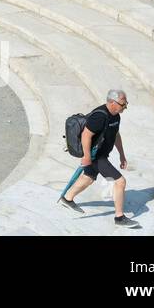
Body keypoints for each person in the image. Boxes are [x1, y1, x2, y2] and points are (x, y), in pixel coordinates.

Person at [58, 89, 137, 227]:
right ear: (112, 102)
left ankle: (67, 198)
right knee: (120, 182)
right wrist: (87, 156)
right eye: (123, 104)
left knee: (88, 178)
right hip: (96, 156)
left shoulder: (116, 116)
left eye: (126, 104)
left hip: (102, 154)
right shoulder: (99, 117)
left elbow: (116, 135)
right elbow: (86, 135)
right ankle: (119, 218)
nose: (125, 107)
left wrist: (122, 155)